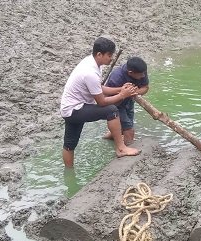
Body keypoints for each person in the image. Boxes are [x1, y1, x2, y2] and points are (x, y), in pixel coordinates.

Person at [59, 37, 140, 167]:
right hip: (75, 109)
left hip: (69, 108)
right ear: (99, 54)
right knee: (112, 111)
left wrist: (120, 89)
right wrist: (122, 95)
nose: (111, 58)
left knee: (69, 145)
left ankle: (69, 173)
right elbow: (102, 102)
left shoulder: (93, 63)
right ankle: (121, 148)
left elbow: (98, 88)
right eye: (109, 55)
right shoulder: (90, 72)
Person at [102, 57, 150, 145]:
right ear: (130, 73)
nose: (143, 76)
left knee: (128, 123)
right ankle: (128, 149)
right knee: (129, 129)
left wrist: (134, 92)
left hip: (129, 101)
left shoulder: (142, 71)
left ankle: (109, 137)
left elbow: (145, 87)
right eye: (141, 74)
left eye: (144, 73)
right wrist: (123, 93)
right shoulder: (117, 77)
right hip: (116, 104)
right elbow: (107, 99)